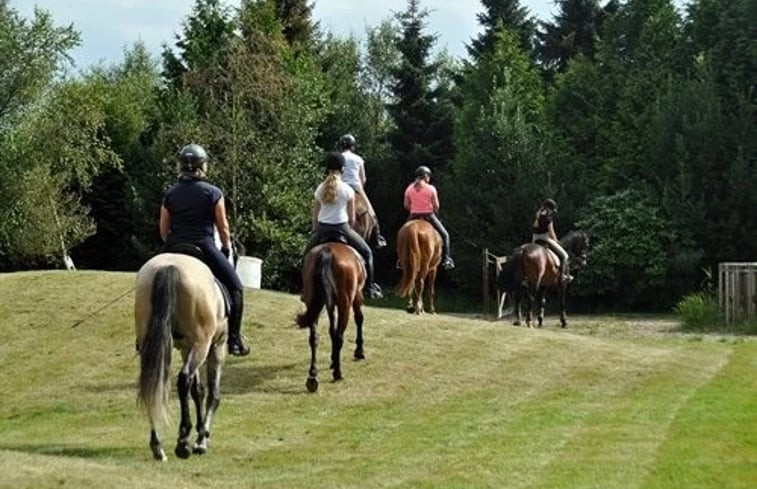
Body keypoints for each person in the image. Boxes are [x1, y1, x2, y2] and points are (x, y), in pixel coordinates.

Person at [160, 143, 250, 356]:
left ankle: (143, 336)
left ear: (181, 166)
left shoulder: (170, 194)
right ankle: (234, 340)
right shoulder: (213, 193)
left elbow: (163, 228)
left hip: (174, 246)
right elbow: (223, 227)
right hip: (204, 246)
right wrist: (227, 248)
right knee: (236, 288)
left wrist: (169, 245)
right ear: (202, 166)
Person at [304, 151, 383, 299]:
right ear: (343, 169)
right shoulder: (348, 190)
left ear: (326, 169)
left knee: (306, 256)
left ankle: (305, 289)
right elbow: (352, 218)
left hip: (322, 229)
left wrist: (315, 230)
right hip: (342, 228)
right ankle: (370, 288)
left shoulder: (320, 188)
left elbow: (315, 215)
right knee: (367, 253)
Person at [338, 134, 387, 249]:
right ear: (353, 147)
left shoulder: (339, 157)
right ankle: (378, 237)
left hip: (340, 187)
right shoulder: (358, 159)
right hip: (356, 187)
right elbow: (363, 178)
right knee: (371, 212)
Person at [403, 165, 455, 270]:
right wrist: (434, 211)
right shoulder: (431, 188)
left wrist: (414, 209)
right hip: (428, 215)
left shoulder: (409, 188)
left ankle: (400, 260)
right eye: (429, 176)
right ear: (425, 176)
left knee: (402, 234)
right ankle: (447, 259)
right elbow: (436, 206)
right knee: (445, 235)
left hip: (413, 215)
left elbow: (406, 205)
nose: (429, 178)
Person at [531, 198, 572, 283]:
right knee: (565, 256)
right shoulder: (548, 218)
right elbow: (551, 232)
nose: (552, 212)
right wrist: (556, 241)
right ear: (549, 209)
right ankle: (563, 276)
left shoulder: (537, 215)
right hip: (545, 238)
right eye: (552, 210)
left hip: (535, 238)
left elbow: (534, 227)